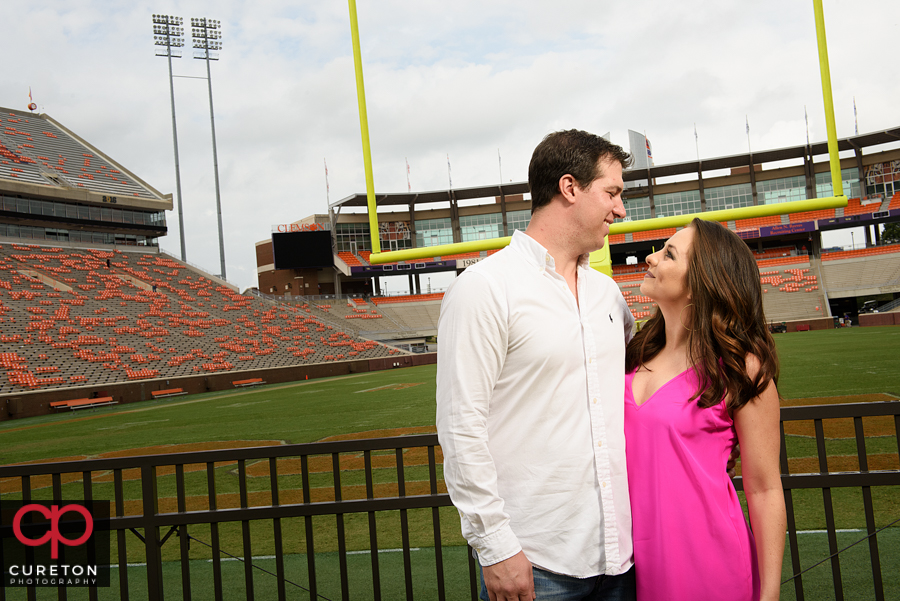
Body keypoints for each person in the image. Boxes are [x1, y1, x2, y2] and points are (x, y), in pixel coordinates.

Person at [437, 130, 636, 601]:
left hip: (622, 555)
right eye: (612, 192)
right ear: (570, 188)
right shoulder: (485, 288)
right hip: (537, 561)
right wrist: (496, 546)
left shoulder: (607, 293)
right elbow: (461, 426)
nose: (620, 209)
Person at [624, 218, 786, 601]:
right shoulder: (633, 353)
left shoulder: (739, 368)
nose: (650, 258)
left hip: (706, 561)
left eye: (668, 254)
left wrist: (771, 593)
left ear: (701, 280)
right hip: (622, 567)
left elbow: (764, 488)